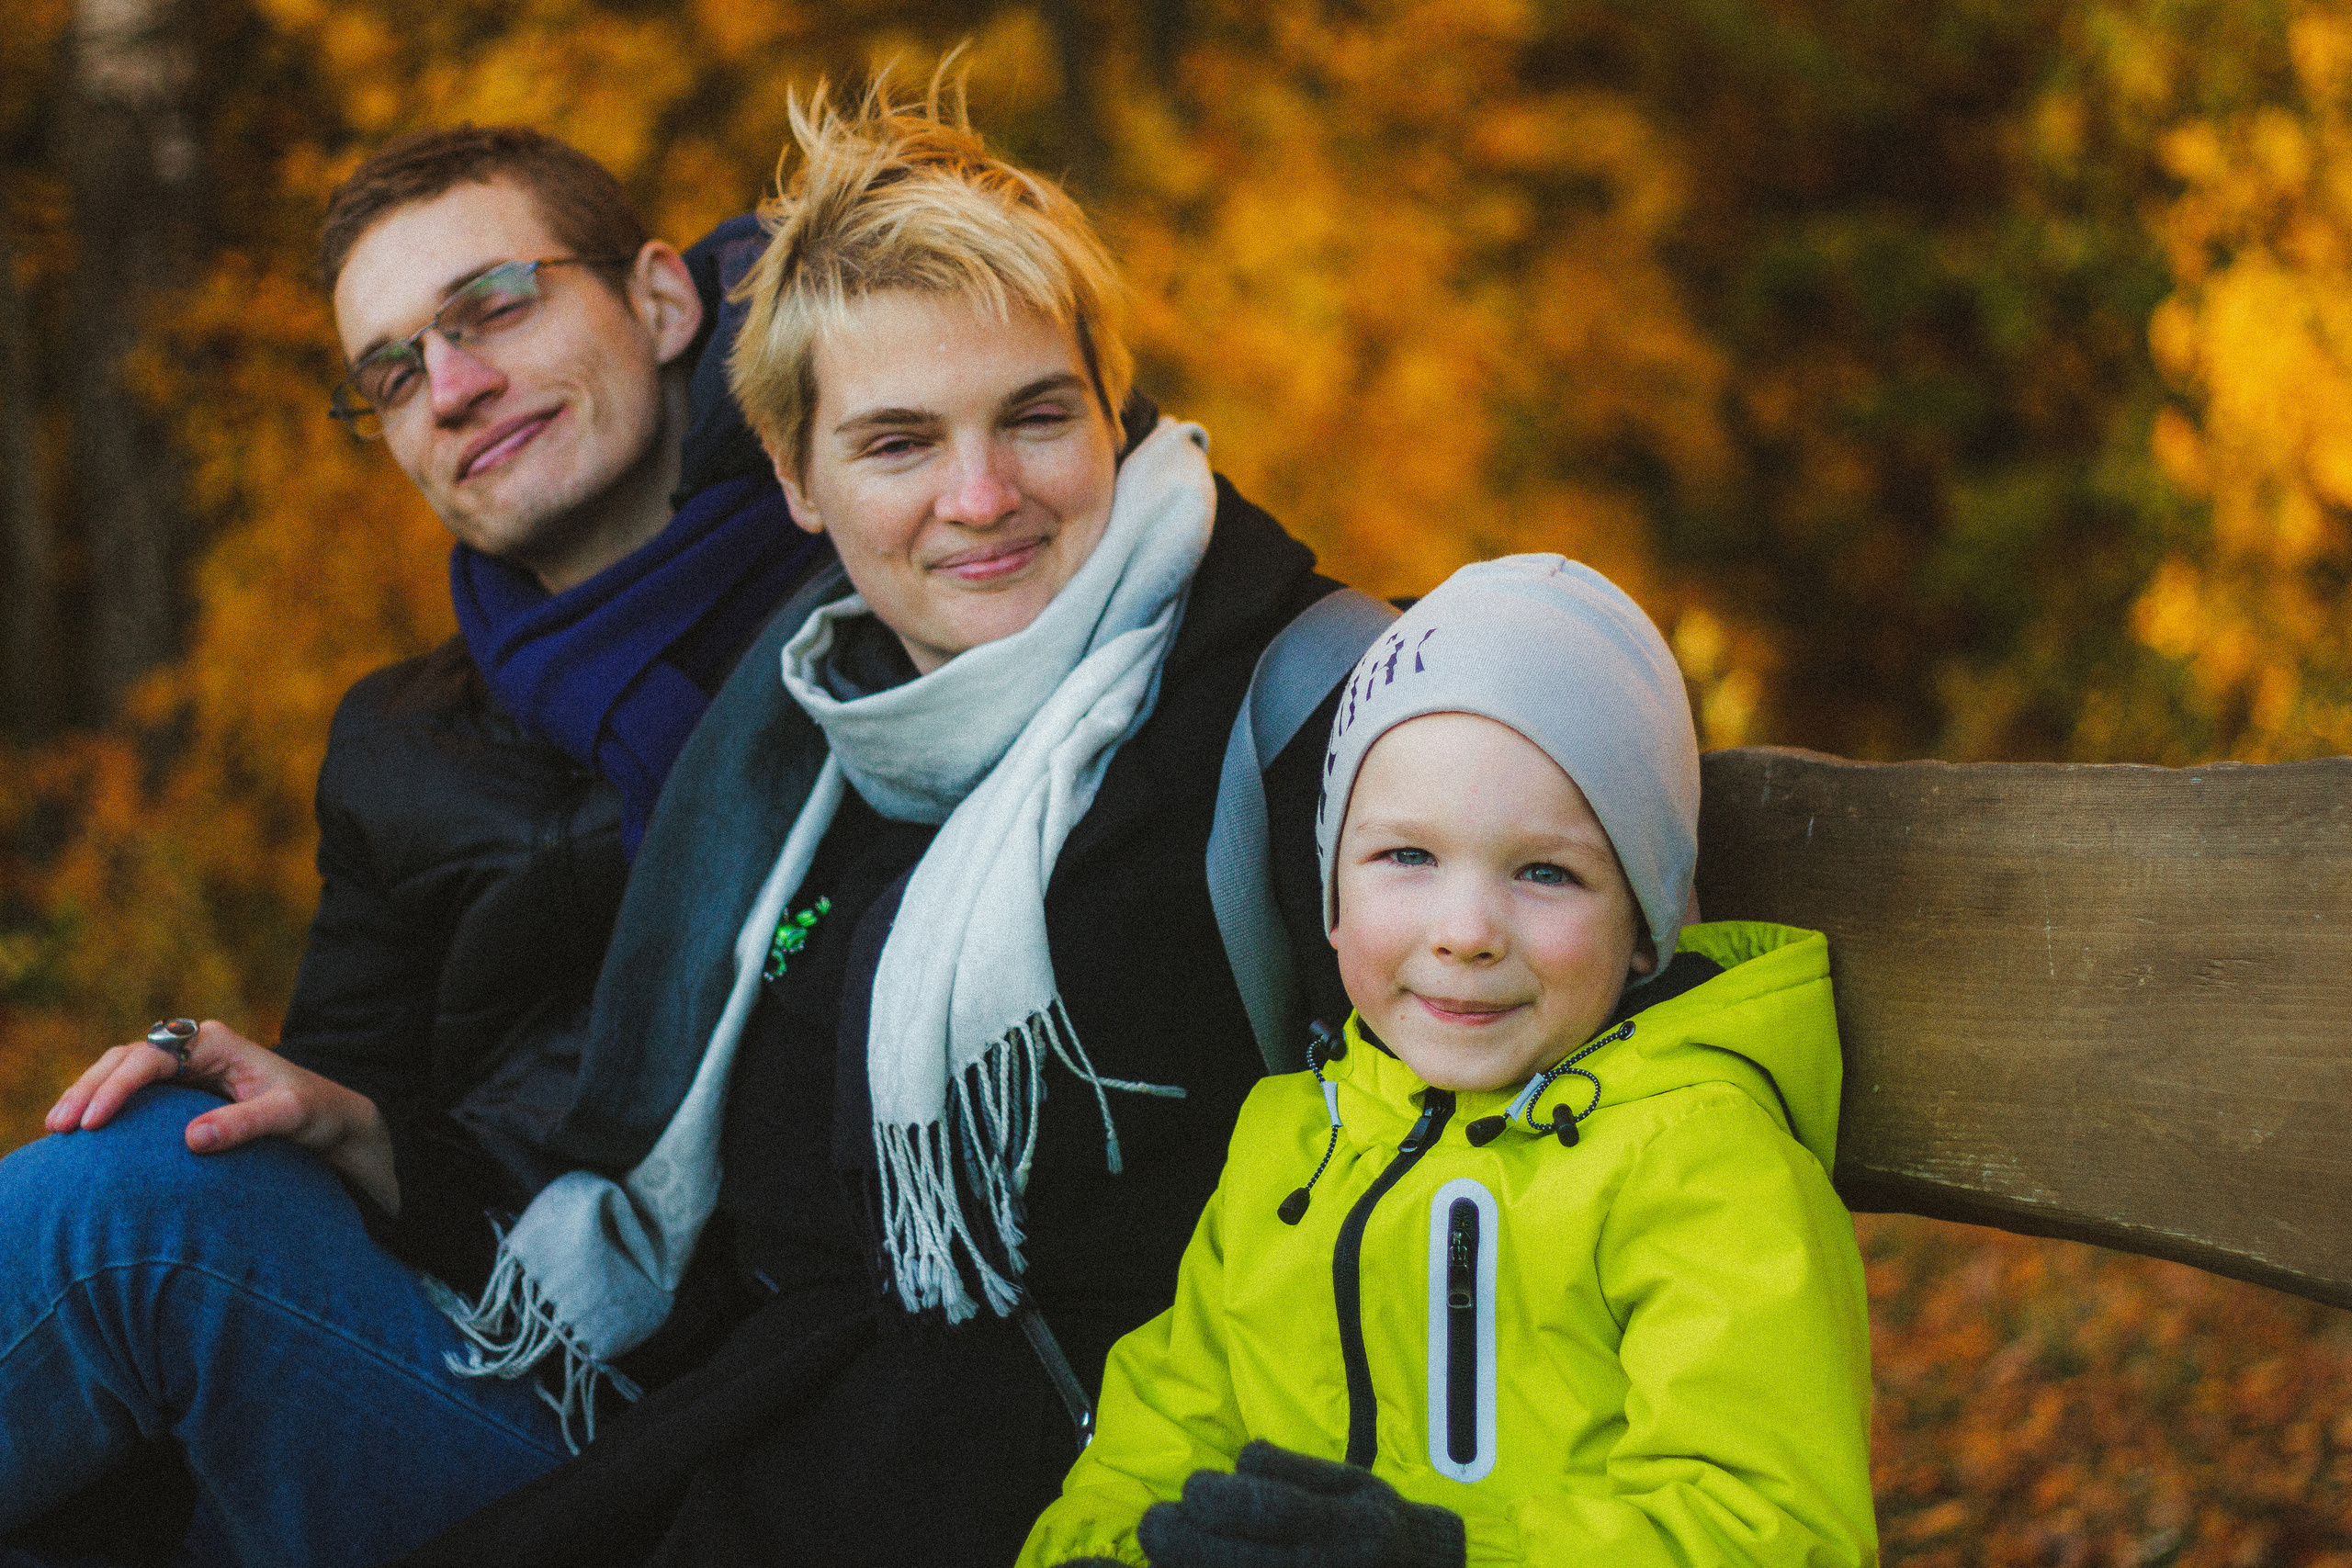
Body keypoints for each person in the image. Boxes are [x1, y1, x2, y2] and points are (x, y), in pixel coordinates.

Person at [379, 71, 1356, 1568]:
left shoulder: (1313, 711)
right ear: (797, 480)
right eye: (899, 444)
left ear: (1116, 410)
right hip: (745, 1476)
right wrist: (382, 1151)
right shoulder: (800, 762)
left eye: (1035, 417)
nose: (980, 498)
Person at [1, 128, 826, 1566]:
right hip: (475, 1357)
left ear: (664, 300)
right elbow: (349, 1144)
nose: (449, 388)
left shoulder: (882, 578)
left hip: (710, 1435)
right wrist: (335, 1117)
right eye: (389, 370)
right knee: (157, 1156)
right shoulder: (399, 739)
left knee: (120, 1214)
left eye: (496, 302)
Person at [1017, 557, 1879, 1568]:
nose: (1465, 931)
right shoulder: (1294, 1141)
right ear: (1331, 898)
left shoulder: (1699, 1164)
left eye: (1545, 873)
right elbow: (1154, 1446)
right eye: (1406, 859)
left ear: (1643, 927)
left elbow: (1773, 1530)